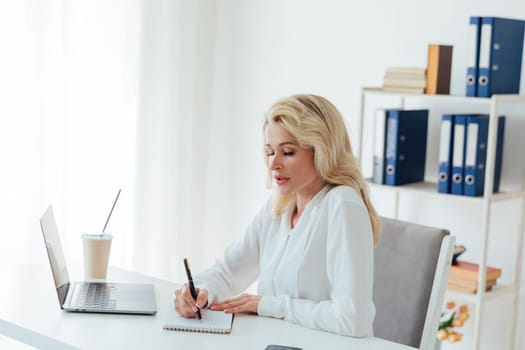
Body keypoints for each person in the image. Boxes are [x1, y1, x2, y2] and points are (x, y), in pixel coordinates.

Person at [174, 94, 381, 337]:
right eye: (270, 152)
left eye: (288, 152)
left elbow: (353, 320)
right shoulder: (279, 205)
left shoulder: (342, 205)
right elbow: (230, 272)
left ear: (322, 151)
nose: (274, 164)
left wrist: (265, 304)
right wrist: (200, 291)